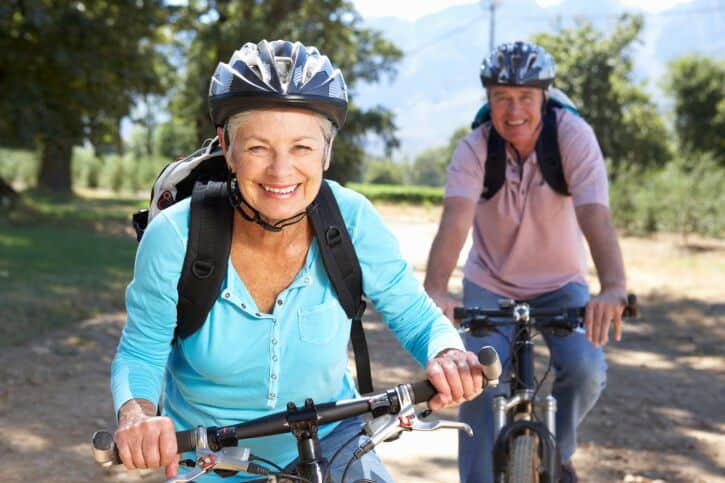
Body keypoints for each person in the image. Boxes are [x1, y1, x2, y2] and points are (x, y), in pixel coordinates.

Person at [111, 39, 487, 483]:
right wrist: (136, 415)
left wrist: (447, 353)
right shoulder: (176, 236)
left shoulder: (352, 219)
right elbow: (141, 348)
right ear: (227, 148)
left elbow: (417, 316)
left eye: (302, 148)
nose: (280, 171)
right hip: (209, 455)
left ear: (326, 153)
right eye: (258, 148)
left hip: (333, 435)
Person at [423, 41, 627, 483]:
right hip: (490, 284)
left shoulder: (572, 137)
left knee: (585, 368)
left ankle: (559, 451)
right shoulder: (475, 147)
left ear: (544, 98)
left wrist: (612, 287)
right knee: (476, 376)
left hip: (561, 284)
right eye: (501, 97)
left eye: (525, 98)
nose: (513, 110)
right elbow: (455, 221)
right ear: (488, 100)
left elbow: (595, 214)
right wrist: (436, 289)